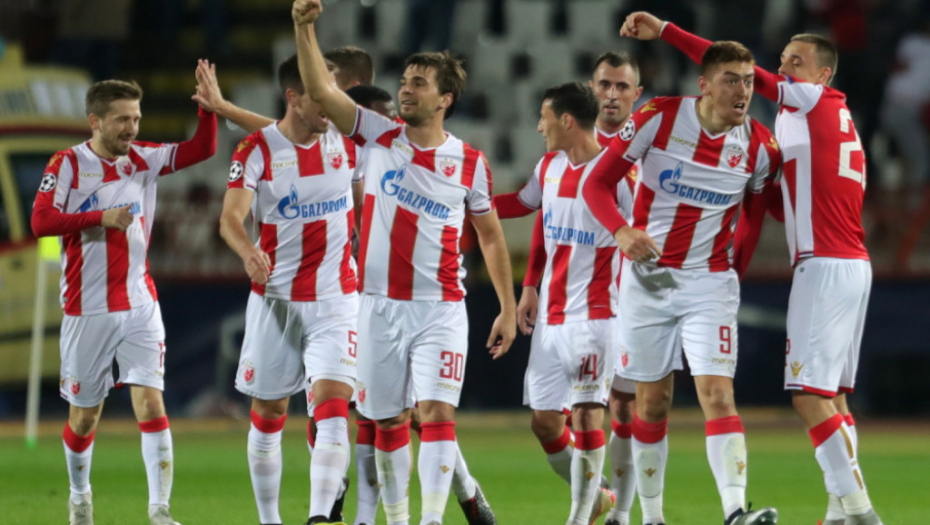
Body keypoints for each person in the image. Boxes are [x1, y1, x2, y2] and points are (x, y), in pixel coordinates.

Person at [623, 12, 884, 525]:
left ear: (823, 75)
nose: (782, 70)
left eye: (796, 62)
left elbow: (736, 68)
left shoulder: (808, 100)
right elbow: (787, 200)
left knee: (808, 397)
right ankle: (838, 512)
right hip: (853, 263)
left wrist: (667, 31)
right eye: (782, 59)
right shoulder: (833, 115)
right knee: (834, 397)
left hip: (824, 263)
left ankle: (860, 513)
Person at [291, 2, 517, 525]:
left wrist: (507, 306)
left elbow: (490, 236)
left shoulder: (470, 162)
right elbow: (320, 90)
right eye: (405, 81)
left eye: (419, 83)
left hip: (441, 308)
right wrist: (304, 27)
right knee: (388, 422)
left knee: (436, 414)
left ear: (445, 99)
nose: (406, 89)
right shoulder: (377, 135)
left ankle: (431, 518)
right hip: (377, 307)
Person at [583, 41, 781, 525]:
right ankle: (652, 518)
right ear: (704, 85)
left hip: (709, 284)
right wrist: (622, 231)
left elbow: (753, 220)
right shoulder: (659, 118)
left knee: (718, 394)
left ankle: (735, 512)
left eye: (749, 81)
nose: (743, 91)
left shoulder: (760, 147)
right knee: (652, 402)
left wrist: (732, 274)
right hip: (647, 282)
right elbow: (596, 183)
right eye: (731, 80)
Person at [30, 78, 217, 525]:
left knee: (151, 404)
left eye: (136, 118)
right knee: (84, 419)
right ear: (95, 121)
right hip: (87, 309)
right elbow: (40, 222)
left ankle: (160, 510)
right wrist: (100, 217)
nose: (132, 128)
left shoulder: (143, 159)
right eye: (122, 120)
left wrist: (208, 109)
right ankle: (80, 498)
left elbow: (202, 150)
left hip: (139, 304)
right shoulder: (68, 163)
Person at [219, 54, 359, 525]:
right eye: (322, 96)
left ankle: (319, 517)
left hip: (337, 298)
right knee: (269, 413)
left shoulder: (346, 140)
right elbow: (230, 218)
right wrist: (247, 250)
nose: (332, 105)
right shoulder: (255, 151)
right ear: (294, 98)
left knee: (333, 408)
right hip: (276, 302)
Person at [506, 81, 625, 525]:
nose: (539, 127)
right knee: (544, 422)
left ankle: (578, 516)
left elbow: (640, 234)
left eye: (544, 118)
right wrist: (463, 202)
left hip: (595, 315)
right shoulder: (549, 166)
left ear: (567, 120)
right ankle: (598, 497)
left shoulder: (616, 174)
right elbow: (529, 210)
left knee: (587, 414)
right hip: (551, 319)